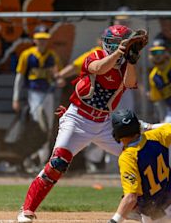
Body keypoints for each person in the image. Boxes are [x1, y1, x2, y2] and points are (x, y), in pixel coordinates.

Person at [17, 24, 142, 223]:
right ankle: (27, 210)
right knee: (58, 163)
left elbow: (129, 83)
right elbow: (100, 69)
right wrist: (119, 52)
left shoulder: (126, 65)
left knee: (138, 156)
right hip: (78, 119)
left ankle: (134, 207)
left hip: (105, 123)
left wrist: (132, 61)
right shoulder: (95, 55)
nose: (124, 48)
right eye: (120, 45)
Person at [12, 25, 64, 168]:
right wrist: (15, 98)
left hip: (48, 95)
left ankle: (42, 160)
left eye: (44, 40)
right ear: (34, 40)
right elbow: (20, 78)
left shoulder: (52, 55)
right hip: (33, 95)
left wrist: (59, 80)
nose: (42, 42)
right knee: (36, 126)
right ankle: (30, 158)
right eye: (39, 39)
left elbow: (58, 75)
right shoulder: (27, 54)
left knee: (46, 127)